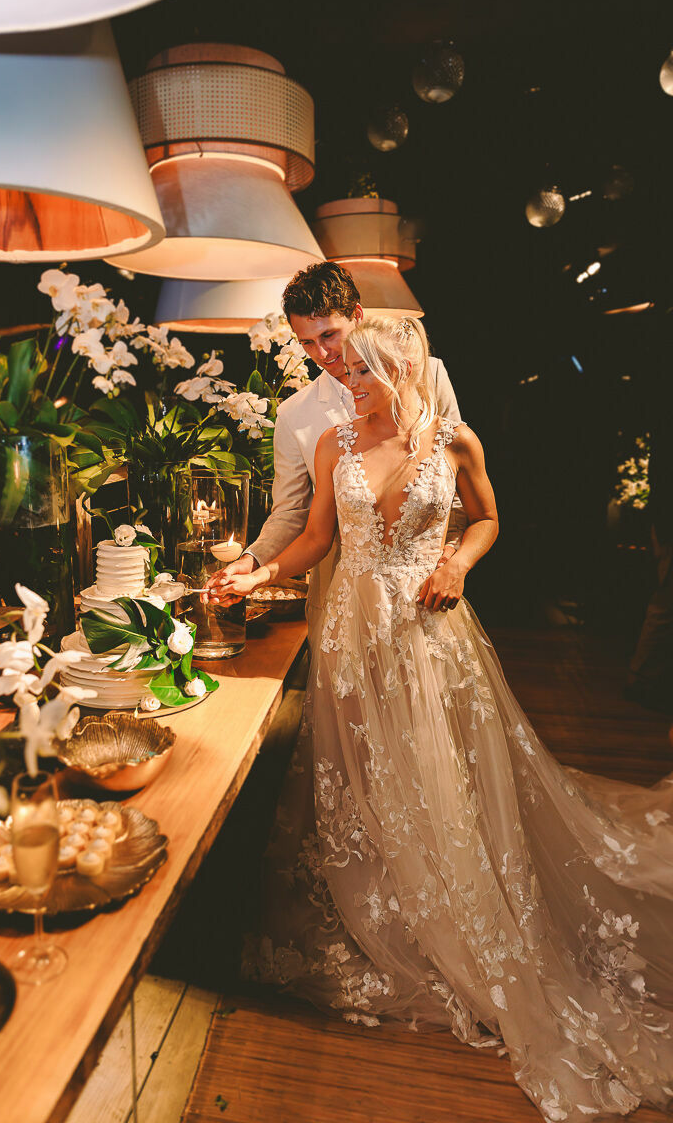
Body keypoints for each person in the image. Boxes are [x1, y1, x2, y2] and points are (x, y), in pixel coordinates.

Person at [211, 315, 673, 1121]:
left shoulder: (455, 441)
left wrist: (456, 560)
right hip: (353, 634)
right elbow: (318, 538)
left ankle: (454, 908)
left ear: (399, 367)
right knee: (363, 774)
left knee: (434, 774)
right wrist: (258, 574)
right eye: (344, 372)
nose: (349, 386)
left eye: (361, 372)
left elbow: (489, 518)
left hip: (430, 636)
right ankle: (386, 902)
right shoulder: (334, 446)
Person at [206, 261, 462, 643]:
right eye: (307, 342)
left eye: (329, 334)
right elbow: (291, 512)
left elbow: (452, 485)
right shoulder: (296, 412)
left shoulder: (428, 373)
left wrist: (454, 563)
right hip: (339, 596)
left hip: (423, 592)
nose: (322, 353)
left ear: (357, 316)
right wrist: (250, 562)